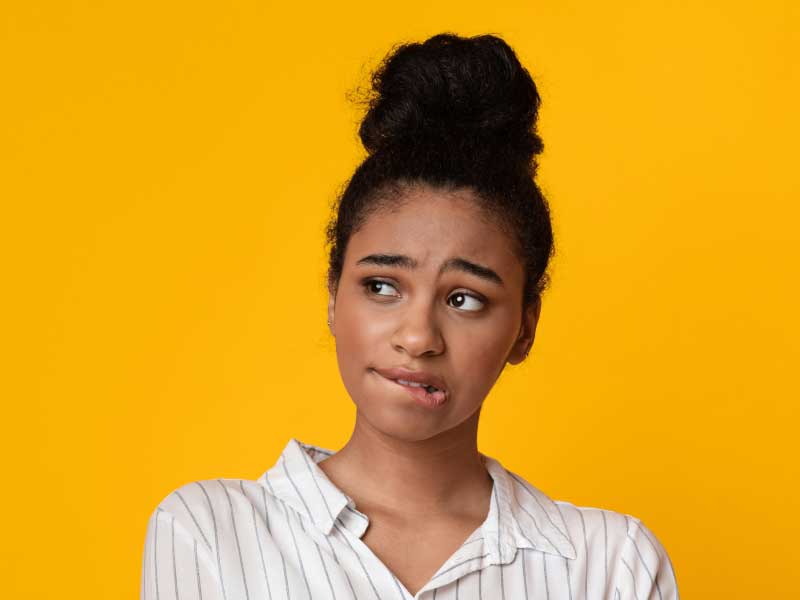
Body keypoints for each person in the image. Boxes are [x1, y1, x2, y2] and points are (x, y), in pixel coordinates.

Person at [140, 32, 680, 600]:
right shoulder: (210, 532)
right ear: (333, 296)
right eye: (382, 286)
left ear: (524, 327)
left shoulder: (612, 565)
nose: (419, 337)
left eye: (464, 299)